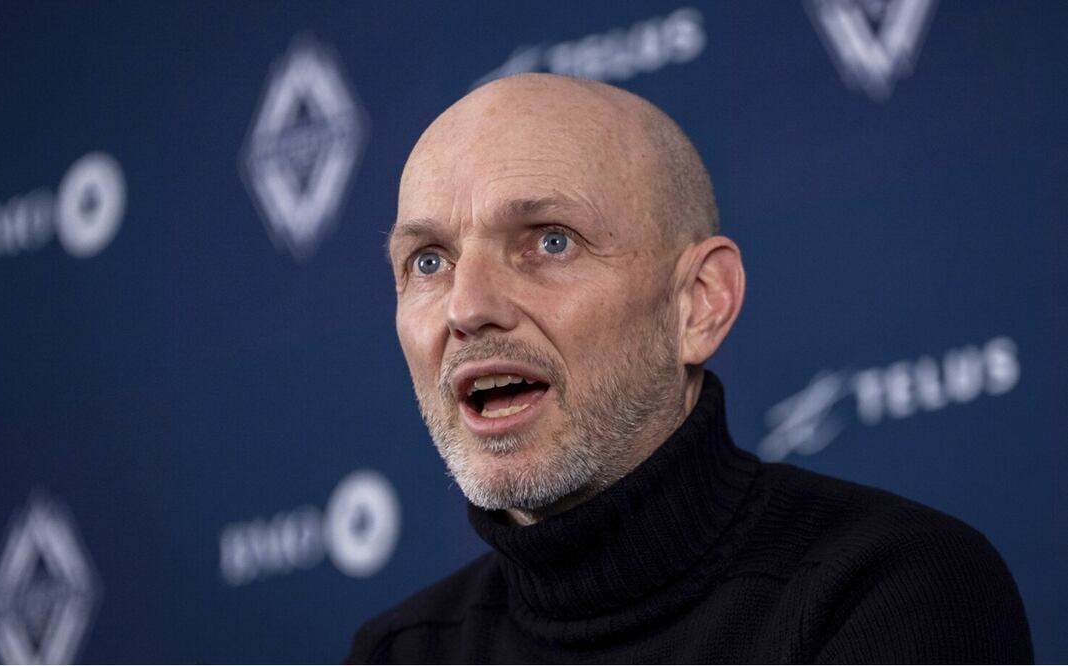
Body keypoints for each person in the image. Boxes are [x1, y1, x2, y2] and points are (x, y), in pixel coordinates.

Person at [350, 73, 1033, 663]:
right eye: (428, 262)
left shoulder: (894, 590)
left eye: (550, 242)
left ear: (698, 305)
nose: (466, 308)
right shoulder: (397, 653)